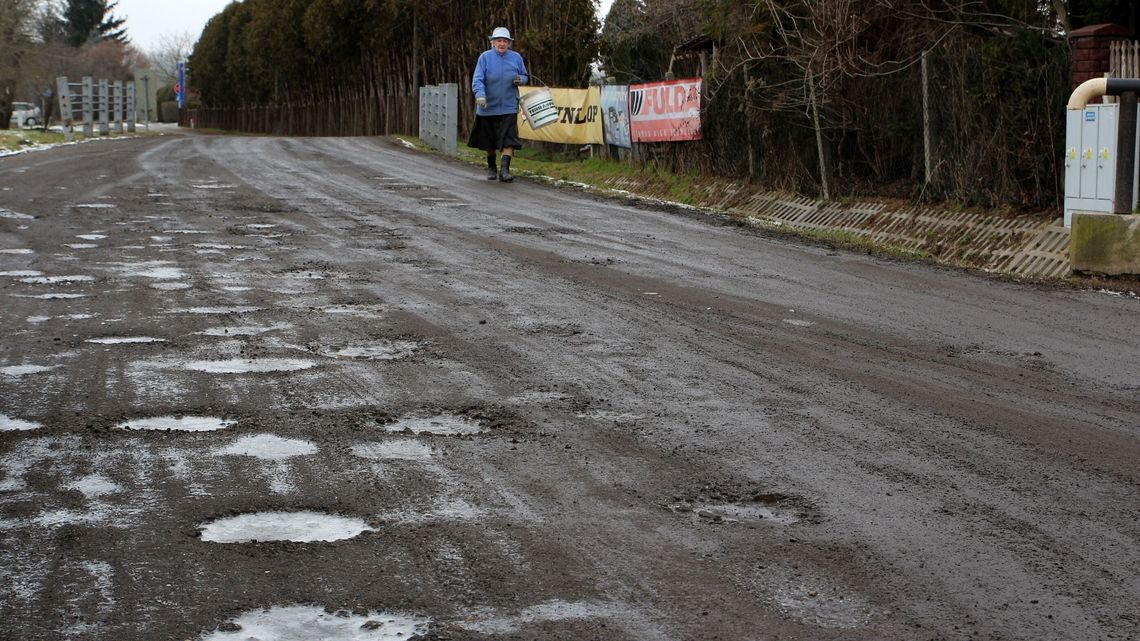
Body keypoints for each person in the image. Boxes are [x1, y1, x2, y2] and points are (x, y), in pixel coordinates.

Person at [469, 27, 528, 183]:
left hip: (509, 105)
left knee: (508, 138)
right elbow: (477, 79)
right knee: (490, 140)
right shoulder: (485, 58)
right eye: (499, 40)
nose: (502, 43)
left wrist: (520, 79)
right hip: (487, 107)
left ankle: (504, 170)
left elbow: (525, 75)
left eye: (505, 41)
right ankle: (491, 166)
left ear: (509, 43)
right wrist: (480, 94)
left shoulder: (516, 58)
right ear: (492, 42)